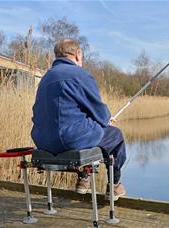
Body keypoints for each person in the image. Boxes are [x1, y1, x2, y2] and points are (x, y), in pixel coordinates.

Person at [31, 39, 126, 200]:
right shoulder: (80, 74)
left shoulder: (45, 78)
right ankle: (114, 185)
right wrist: (106, 119)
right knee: (115, 136)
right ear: (77, 54)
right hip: (69, 140)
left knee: (90, 132)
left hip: (42, 142)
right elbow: (99, 111)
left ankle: (83, 179)